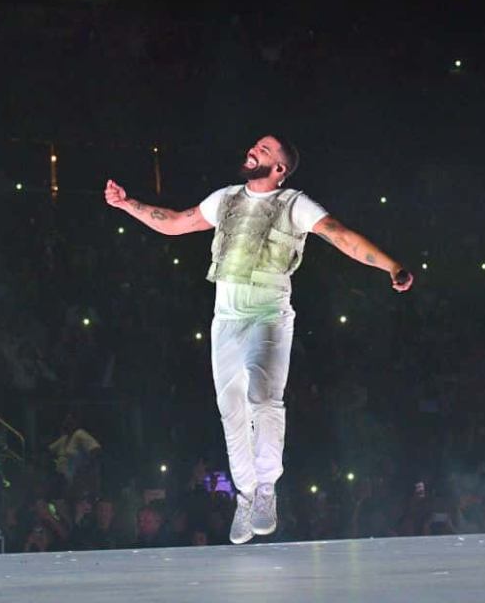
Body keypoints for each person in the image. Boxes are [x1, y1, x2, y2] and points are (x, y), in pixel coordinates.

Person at [105, 134, 413, 544]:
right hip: (226, 320)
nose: (254, 149)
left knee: (264, 399)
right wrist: (128, 204)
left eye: (265, 150)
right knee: (231, 410)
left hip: (268, 315)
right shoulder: (226, 199)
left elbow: (340, 234)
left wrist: (391, 266)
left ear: (280, 168)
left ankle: (267, 487)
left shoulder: (294, 205)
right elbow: (178, 222)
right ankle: (246, 496)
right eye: (256, 145)